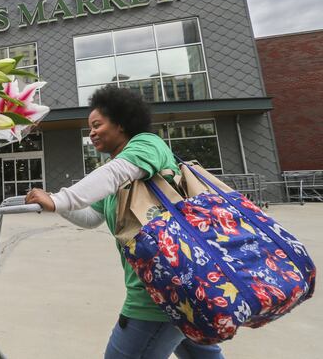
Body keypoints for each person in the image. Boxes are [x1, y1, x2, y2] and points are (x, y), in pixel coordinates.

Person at [25, 86, 223, 359]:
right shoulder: (114, 176)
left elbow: (116, 172)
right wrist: (54, 204)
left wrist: (61, 199)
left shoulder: (146, 145)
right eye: (89, 127)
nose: (91, 132)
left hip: (161, 291)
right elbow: (90, 217)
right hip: (177, 286)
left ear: (120, 123)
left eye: (97, 124)